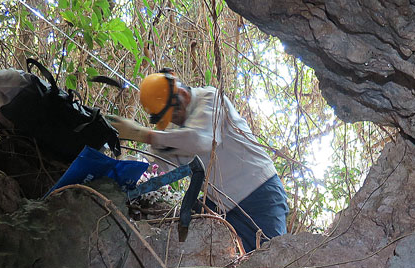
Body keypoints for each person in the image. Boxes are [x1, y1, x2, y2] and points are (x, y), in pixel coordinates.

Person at [108, 69, 289, 252]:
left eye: (173, 116)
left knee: (270, 263)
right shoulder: (173, 131)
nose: (173, 122)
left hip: (260, 196)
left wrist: (142, 134)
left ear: (182, 95)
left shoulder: (210, 98)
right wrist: (114, 172)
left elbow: (201, 140)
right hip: (219, 204)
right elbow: (151, 164)